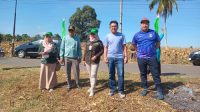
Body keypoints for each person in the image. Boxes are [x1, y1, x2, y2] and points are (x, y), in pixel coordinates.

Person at [132, 18, 164, 100]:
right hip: (141, 58)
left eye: (146, 23)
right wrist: (137, 51)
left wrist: (155, 49)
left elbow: (158, 42)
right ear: (140, 24)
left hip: (152, 58)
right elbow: (134, 44)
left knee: (156, 74)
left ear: (148, 24)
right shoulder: (137, 35)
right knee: (143, 74)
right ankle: (145, 88)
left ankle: (159, 91)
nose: (145, 25)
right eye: (143, 23)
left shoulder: (153, 33)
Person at [104, 20, 128, 98]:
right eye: (112, 26)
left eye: (115, 26)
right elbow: (106, 48)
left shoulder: (121, 35)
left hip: (119, 58)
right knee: (111, 74)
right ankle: (112, 89)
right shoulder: (107, 36)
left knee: (120, 74)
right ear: (110, 27)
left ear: (117, 27)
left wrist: (126, 56)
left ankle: (121, 91)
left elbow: (124, 47)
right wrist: (105, 57)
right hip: (110, 57)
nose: (113, 27)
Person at [59, 25, 82, 89]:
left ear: (74, 31)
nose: (71, 31)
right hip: (67, 58)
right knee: (67, 72)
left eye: (72, 30)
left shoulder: (77, 38)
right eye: (69, 30)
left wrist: (80, 56)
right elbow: (62, 48)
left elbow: (79, 48)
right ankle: (69, 84)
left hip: (75, 58)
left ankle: (77, 84)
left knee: (76, 72)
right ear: (68, 30)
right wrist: (61, 56)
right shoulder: (65, 38)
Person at [83, 28, 104, 97]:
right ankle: (92, 86)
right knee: (90, 75)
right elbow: (85, 51)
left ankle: (92, 90)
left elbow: (102, 51)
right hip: (87, 61)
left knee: (93, 75)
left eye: (93, 34)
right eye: (91, 33)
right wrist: (83, 59)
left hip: (95, 61)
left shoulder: (99, 42)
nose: (92, 35)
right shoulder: (88, 42)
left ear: (96, 34)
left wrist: (96, 56)